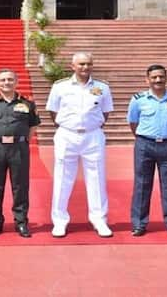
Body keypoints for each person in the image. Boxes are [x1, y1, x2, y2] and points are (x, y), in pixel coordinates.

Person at [45, 52, 114, 238]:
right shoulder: (60, 87)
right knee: (62, 179)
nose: (85, 67)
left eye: (89, 64)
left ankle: (99, 219)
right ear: (72, 66)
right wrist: (70, 126)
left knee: (97, 178)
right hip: (67, 135)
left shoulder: (102, 87)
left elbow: (105, 112)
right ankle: (59, 221)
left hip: (93, 136)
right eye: (81, 64)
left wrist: (90, 125)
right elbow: (53, 111)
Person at [127, 65, 167, 238]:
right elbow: (133, 123)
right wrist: (146, 137)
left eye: (161, 76)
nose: (158, 80)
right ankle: (139, 223)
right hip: (144, 144)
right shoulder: (138, 99)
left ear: (166, 78)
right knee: (142, 185)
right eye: (154, 77)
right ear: (147, 80)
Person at [0, 69, 41, 238]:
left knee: (20, 185)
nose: (7, 83)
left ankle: (21, 222)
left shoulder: (27, 103)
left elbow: (33, 126)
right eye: (3, 80)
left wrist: (20, 140)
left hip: (19, 148)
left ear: (16, 82)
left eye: (10, 79)